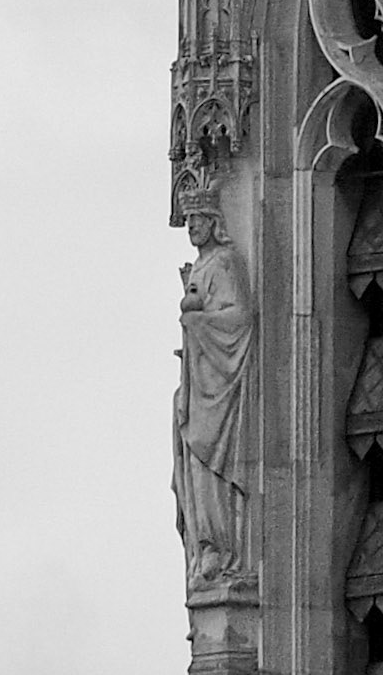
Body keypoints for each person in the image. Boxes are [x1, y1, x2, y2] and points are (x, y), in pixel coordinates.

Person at [172, 180, 255, 588]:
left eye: (197, 219)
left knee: (212, 465)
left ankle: (223, 547)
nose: (191, 226)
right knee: (195, 465)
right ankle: (207, 544)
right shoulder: (200, 267)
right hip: (199, 380)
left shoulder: (225, 262)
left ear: (213, 221)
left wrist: (199, 321)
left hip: (221, 383)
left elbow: (240, 318)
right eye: (187, 219)